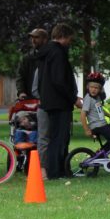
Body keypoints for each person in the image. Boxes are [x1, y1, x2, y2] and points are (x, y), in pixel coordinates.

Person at [36, 23, 79, 180]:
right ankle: (56, 171)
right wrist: (73, 98)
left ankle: (57, 169)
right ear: (63, 37)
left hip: (48, 100)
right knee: (59, 138)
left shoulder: (46, 53)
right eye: (69, 39)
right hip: (59, 102)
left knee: (55, 137)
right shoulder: (58, 53)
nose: (70, 43)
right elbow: (60, 80)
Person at [79, 71, 110, 172]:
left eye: (96, 88)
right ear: (88, 87)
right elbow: (82, 115)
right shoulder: (88, 99)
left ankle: (101, 153)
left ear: (100, 89)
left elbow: (101, 109)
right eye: (92, 87)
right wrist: (86, 130)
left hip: (103, 124)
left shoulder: (97, 98)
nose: (94, 89)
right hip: (97, 126)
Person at [15, 28, 48, 100]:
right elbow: (20, 76)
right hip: (29, 99)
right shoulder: (27, 58)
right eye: (32, 37)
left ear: (45, 40)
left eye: (36, 37)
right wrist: (21, 92)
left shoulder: (51, 57)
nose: (33, 40)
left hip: (48, 100)